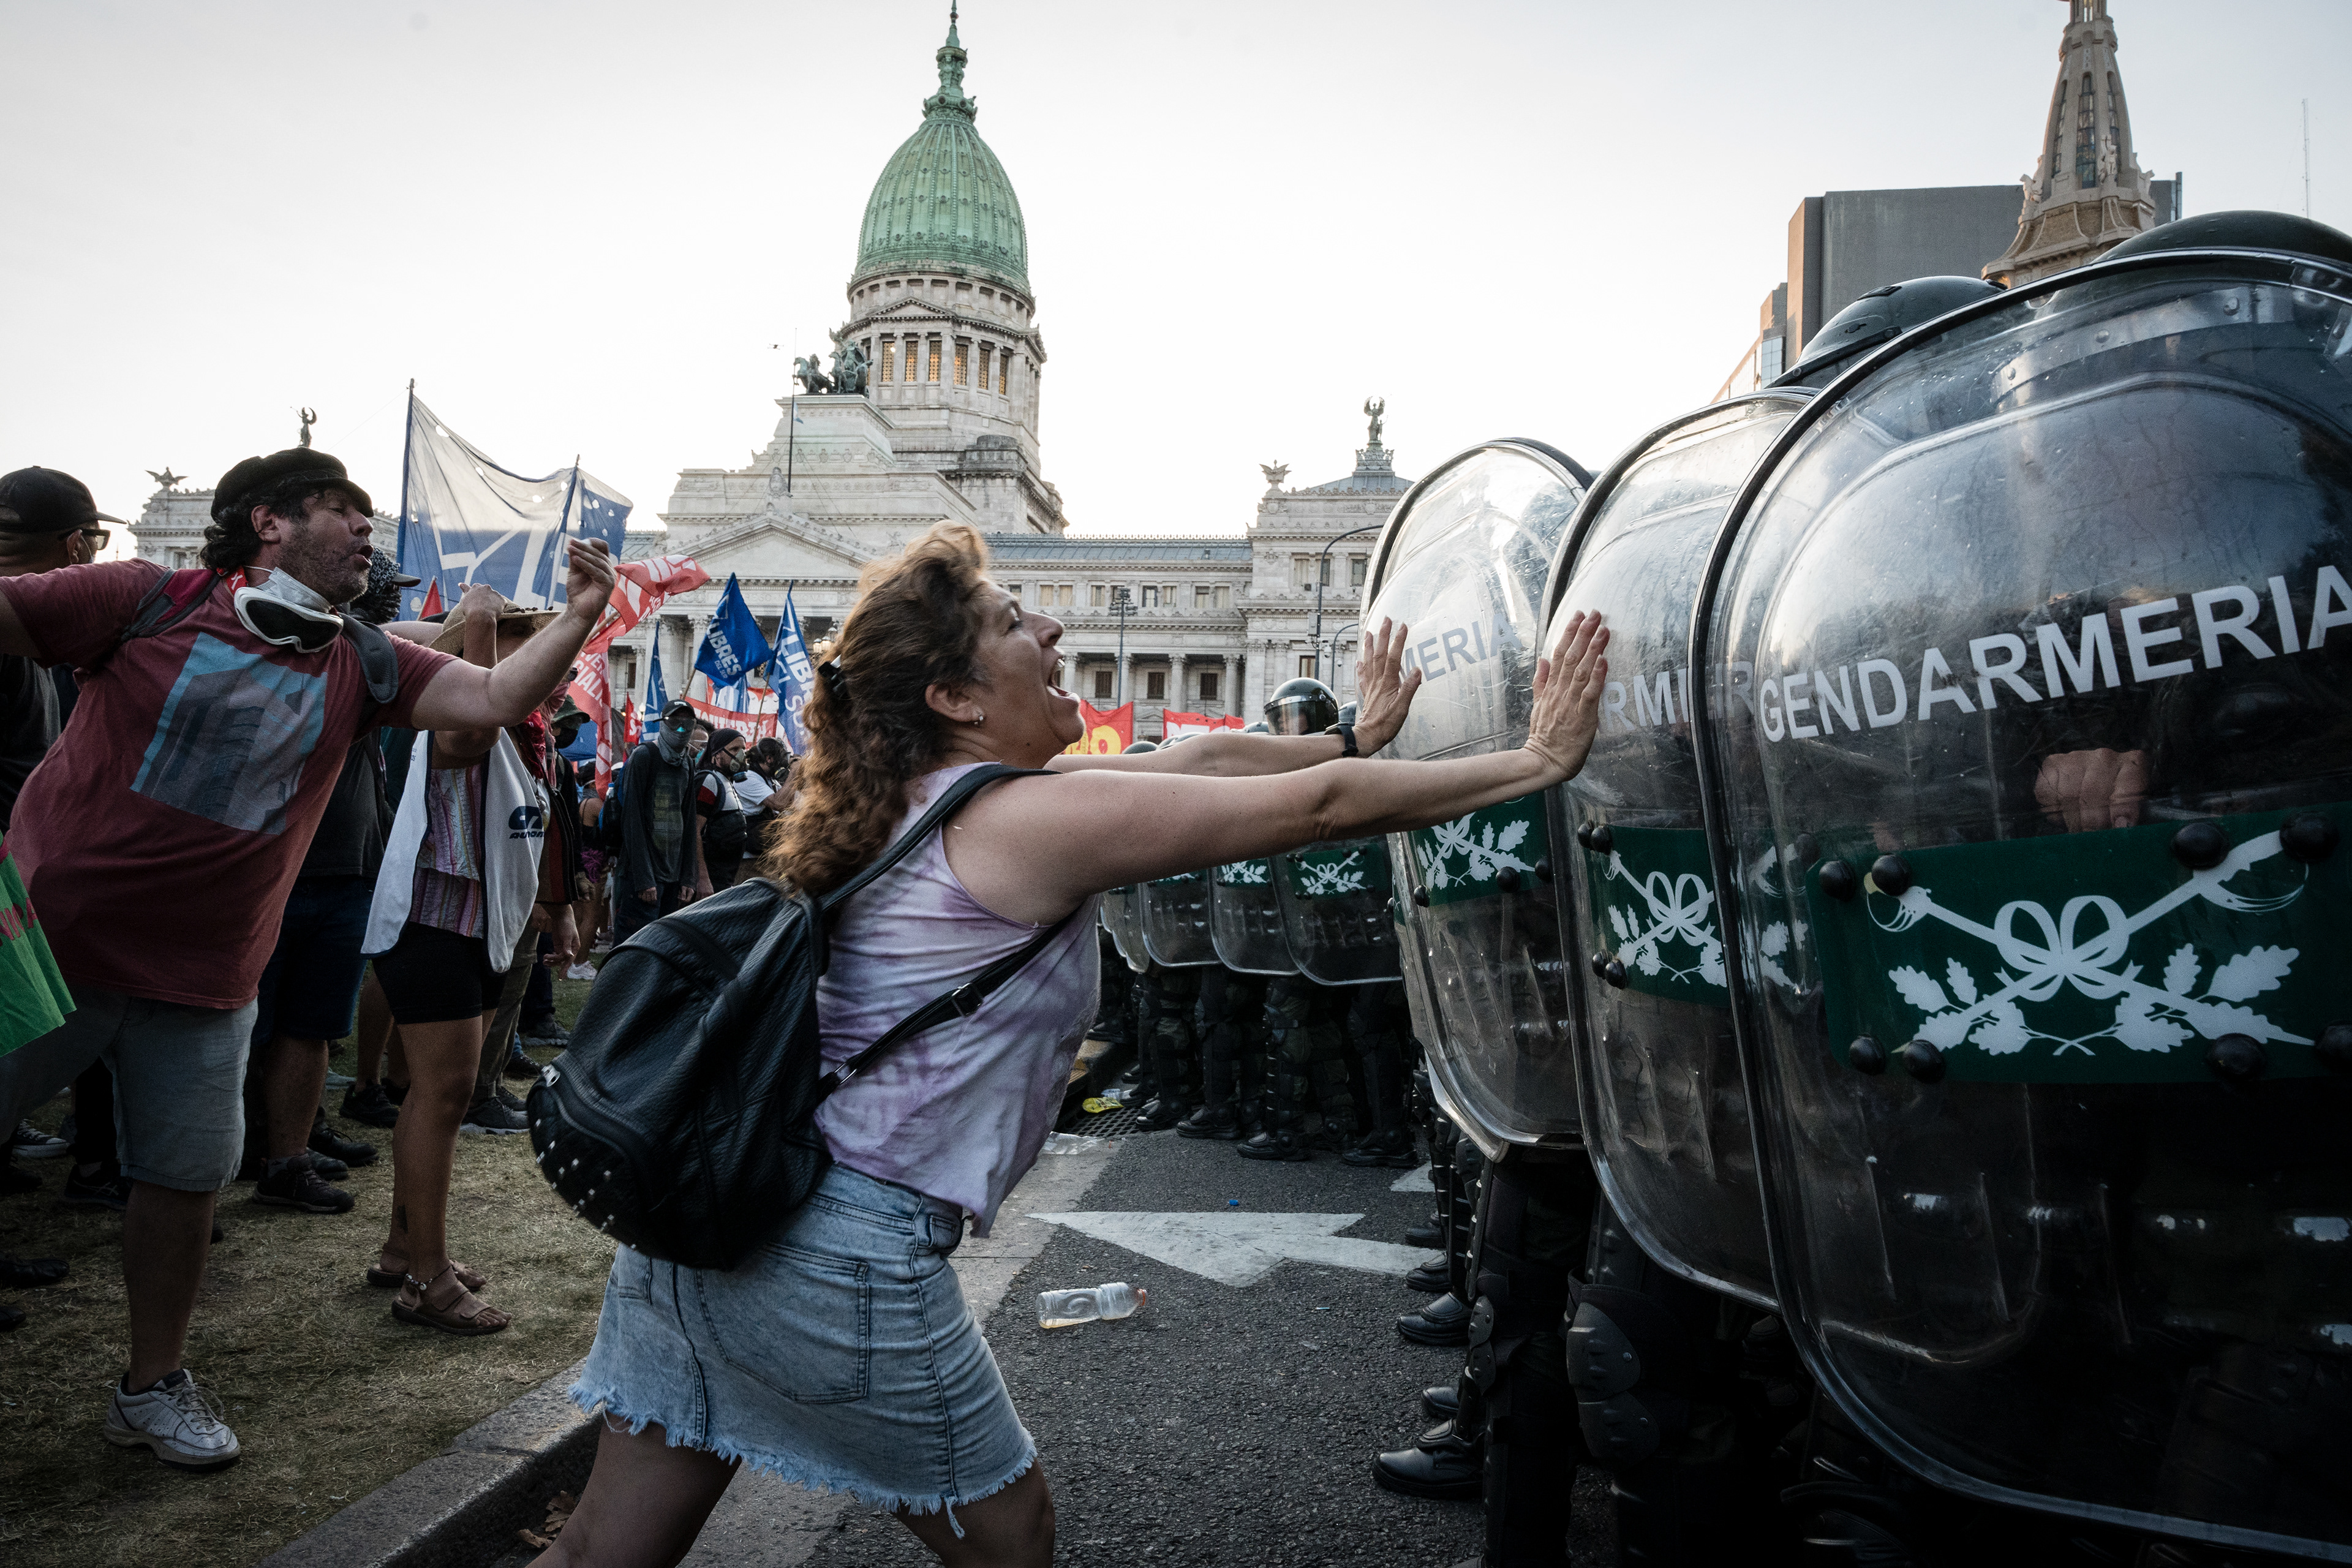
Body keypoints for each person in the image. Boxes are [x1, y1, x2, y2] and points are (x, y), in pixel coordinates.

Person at [533, 523, 1608, 1568]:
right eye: (1014, 621)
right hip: (835, 1244)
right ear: (954, 699)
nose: (1052, 627)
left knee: (604, 1548)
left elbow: (1211, 758)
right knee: (1014, 1539)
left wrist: (1352, 735)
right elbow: (1317, 811)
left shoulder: (929, 803)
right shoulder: (1017, 823)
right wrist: (1535, 760)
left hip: (717, 1222)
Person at [0, 443, 614, 1471]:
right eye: (343, 509)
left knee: (185, 1184)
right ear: (266, 524)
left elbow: (496, 698)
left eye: (369, 514)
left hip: (208, 980)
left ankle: (152, 1386)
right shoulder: (144, 598)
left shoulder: (364, 659)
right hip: (52, 951)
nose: (367, 529)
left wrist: (581, 611)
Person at [363, 586, 578, 1327]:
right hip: (435, 921)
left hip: (477, 924)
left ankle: (404, 1245)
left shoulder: (526, 726)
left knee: (440, 1097)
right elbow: (469, 737)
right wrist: (477, 629)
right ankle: (426, 1280)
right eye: (526, 640)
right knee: (443, 1095)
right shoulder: (460, 714)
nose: (544, 659)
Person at [234, 547, 416, 1215]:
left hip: (346, 871)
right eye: (383, 589)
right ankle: (219, 1158)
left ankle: (289, 1154)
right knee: (243, 1028)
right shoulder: (291, 649)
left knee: (310, 1030)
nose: (391, 600)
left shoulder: (371, 664)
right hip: (278, 871)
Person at [614, 698, 703, 939]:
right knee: (632, 950)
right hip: (644, 878)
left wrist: (689, 877)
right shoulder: (645, 756)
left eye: (688, 724)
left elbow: (688, 823)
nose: (681, 730)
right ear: (662, 725)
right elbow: (632, 821)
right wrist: (644, 879)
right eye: (675, 723)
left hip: (673, 879)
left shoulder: (688, 763)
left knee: (661, 949)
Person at [690, 728, 752, 894]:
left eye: (743, 749)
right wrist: (703, 879)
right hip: (712, 880)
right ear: (717, 755)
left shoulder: (727, 782)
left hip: (725, 880)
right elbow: (694, 831)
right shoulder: (710, 781)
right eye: (734, 750)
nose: (741, 755)